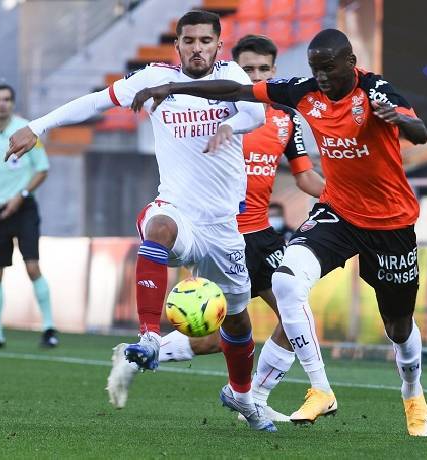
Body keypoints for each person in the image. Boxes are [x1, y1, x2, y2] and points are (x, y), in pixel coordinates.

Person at [130, 29, 427, 436]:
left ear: (350, 62)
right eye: (315, 69)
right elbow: (235, 90)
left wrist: (399, 119)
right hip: (338, 213)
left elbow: (420, 132)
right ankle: (318, 389)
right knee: (286, 282)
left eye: (328, 68)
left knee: (398, 326)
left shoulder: (376, 90)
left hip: (390, 223)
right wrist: (173, 86)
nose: (321, 77)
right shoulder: (304, 93)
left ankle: (412, 392)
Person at [6, 11, 276, 432]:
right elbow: (96, 100)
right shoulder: (153, 78)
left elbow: (255, 115)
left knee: (238, 321)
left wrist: (228, 125)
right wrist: (37, 126)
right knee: (158, 228)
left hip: (223, 226)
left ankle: (242, 396)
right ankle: (149, 335)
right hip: (179, 210)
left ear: (219, 46)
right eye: (189, 41)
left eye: (206, 41)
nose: (198, 48)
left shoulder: (230, 74)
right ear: (178, 44)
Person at [106, 34, 325, 423]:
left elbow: (305, 177)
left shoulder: (285, 118)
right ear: (233, 71)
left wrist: (340, 196)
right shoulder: (217, 111)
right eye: (248, 69)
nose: (255, 76)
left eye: (263, 69)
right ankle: (144, 357)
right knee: (216, 335)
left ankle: (253, 396)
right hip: (219, 234)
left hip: (261, 235)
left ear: (274, 72)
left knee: (293, 322)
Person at [0, 83, 58, 350]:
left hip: (24, 208)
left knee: (32, 266)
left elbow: (42, 169)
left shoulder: (26, 131)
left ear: (12, 103)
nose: (2, 104)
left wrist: (20, 195)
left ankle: (49, 328)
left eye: (6, 99)